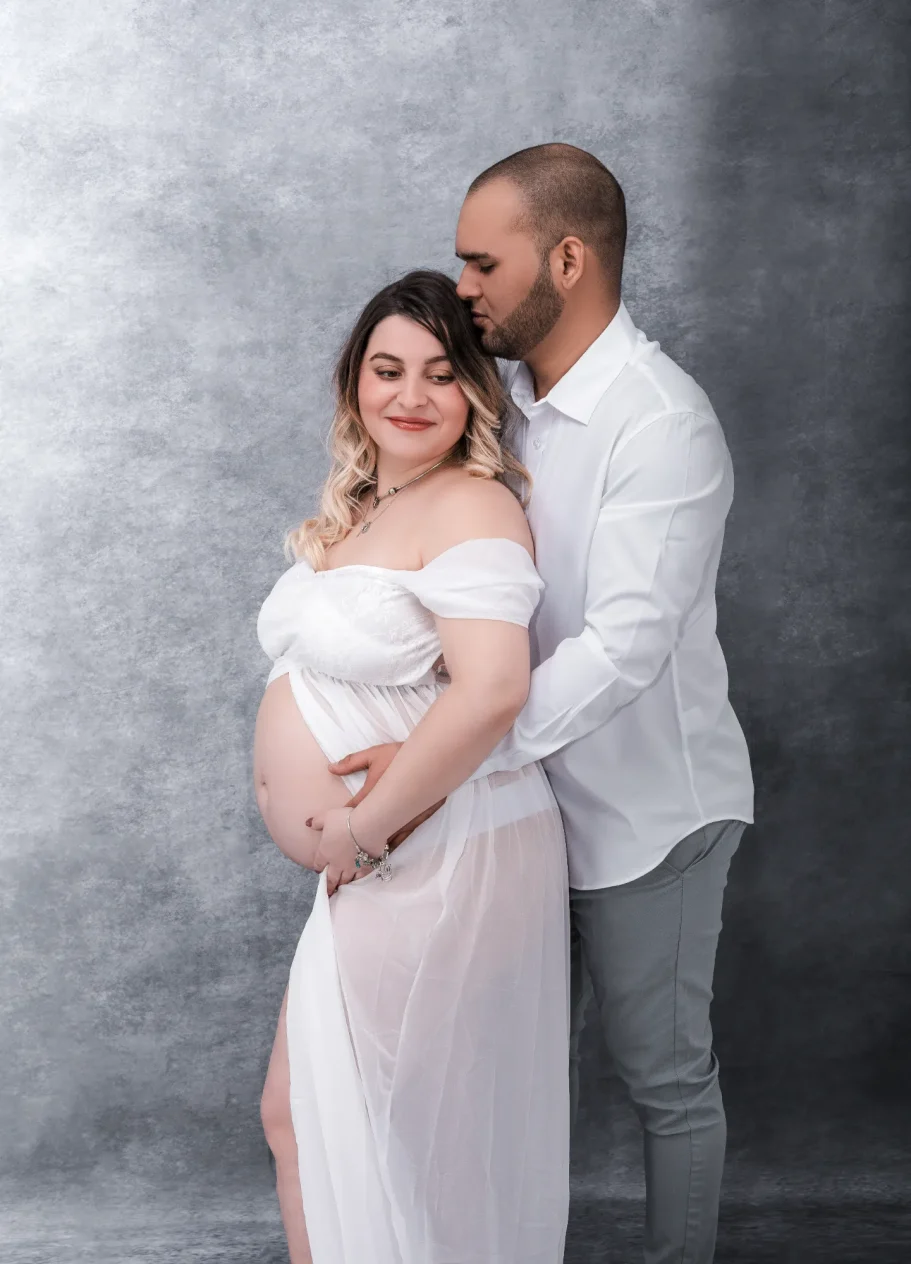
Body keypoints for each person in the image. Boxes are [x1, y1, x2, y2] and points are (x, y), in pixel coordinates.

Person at [330, 144, 755, 1264]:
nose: (460, 285)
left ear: (566, 260)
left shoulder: (662, 424)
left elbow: (620, 649)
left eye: (481, 262)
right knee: (495, 1063)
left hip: (644, 814)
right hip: (510, 811)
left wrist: (446, 752)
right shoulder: (499, 396)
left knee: (662, 1077)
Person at [253, 269, 571, 1264]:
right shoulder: (367, 502)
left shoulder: (470, 506)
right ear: (354, 381)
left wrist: (359, 824)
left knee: (385, 1130)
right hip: (391, 851)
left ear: (475, 390)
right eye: (386, 369)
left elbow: (489, 691)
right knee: (314, 1118)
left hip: (431, 848)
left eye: (441, 373)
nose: (409, 395)